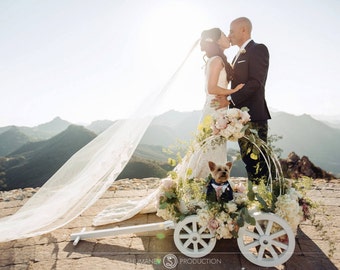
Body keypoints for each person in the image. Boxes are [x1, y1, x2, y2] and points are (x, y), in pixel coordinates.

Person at [213, 17, 271, 184]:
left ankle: (266, 200)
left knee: (259, 161)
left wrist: (229, 99)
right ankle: (258, 197)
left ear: (243, 30)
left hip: (254, 116)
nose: (229, 35)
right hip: (239, 117)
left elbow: (255, 83)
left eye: (231, 31)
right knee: (248, 160)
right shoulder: (237, 55)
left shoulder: (258, 49)